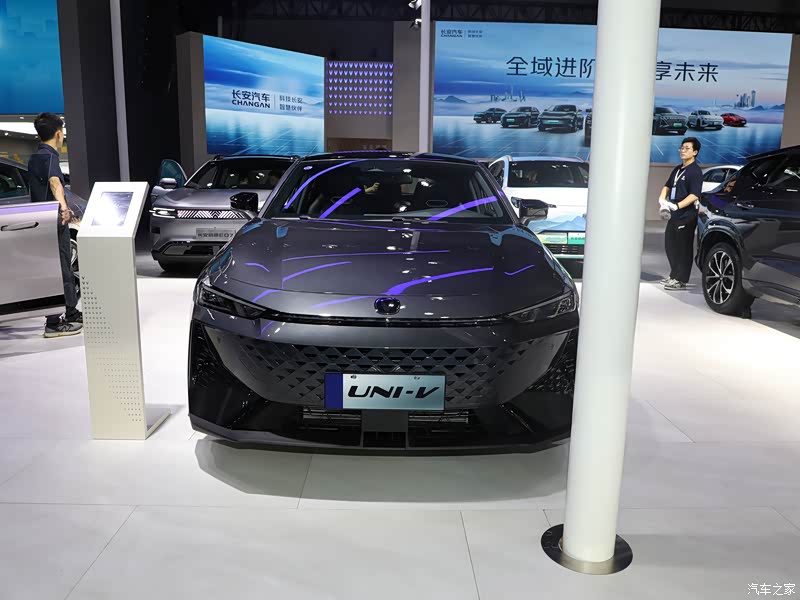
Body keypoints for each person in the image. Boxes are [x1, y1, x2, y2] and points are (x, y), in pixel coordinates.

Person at [28, 113, 82, 338]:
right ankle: (53, 322)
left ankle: (70, 312)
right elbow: (54, 182)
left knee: (55, 269)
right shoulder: (49, 156)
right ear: (58, 134)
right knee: (61, 269)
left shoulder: (35, 157)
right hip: (53, 223)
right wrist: (64, 209)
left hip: (41, 222)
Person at [658, 137, 703, 291]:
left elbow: (694, 195)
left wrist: (677, 205)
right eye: (682, 148)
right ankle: (674, 275)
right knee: (670, 245)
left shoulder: (695, 171)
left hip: (686, 215)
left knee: (683, 248)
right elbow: (667, 185)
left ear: (695, 152)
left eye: (687, 148)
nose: (683, 150)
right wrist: (662, 199)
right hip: (674, 214)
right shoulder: (678, 169)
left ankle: (680, 279)